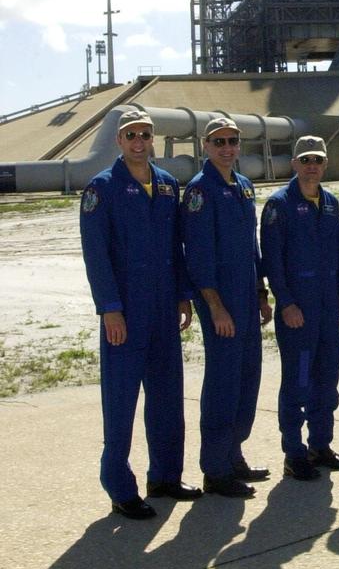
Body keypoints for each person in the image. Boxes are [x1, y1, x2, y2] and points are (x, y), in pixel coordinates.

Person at [80, 108, 200, 519]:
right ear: (119, 140)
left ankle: (165, 476)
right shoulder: (102, 188)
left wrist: (183, 294)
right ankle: (119, 487)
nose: (138, 142)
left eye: (145, 135)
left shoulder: (167, 185)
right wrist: (110, 309)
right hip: (126, 312)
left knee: (167, 396)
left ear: (153, 139)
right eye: (130, 135)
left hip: (164, 307)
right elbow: (96, 256)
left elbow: (176, 248)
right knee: (121, 401)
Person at [181, 116, 273, 497]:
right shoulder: (201, 191)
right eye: (219, 142)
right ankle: (215, 469)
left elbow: (251, 247)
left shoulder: (244, 186)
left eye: (233, 140)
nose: (227, 148)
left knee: (247, 377)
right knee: (223, 381)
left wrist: (261, 292)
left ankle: (234, 453)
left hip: (246, 296)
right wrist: (215, 307)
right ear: (206, 146)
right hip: (219, 300)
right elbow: (198, 256)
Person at [260, 135, 339, 481]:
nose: (312, 165)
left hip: (328, 307)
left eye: (317, 159)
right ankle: (293, 452)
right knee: (298, 382)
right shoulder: (279, 205)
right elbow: (272, 260)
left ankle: (320, 445)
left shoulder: (329, 203)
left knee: (327, 379)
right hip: (298, 309)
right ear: (294, 165)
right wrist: (285, 302)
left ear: (325, 164)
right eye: (305, 160)